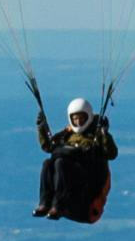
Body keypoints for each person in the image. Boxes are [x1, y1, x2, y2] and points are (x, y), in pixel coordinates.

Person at [30, 78, 117, 226]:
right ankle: (45, 203)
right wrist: (41, 128)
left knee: (61, 163)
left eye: (81, 119)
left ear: (88, 117)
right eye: (75, 119)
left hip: (87, 185)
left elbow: (111, 154)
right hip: (72, 186)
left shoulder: (97, 134)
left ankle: (58, 205)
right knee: (48, 164)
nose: (78, 122)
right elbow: (49, 147)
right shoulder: (67, 134)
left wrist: (105, 134)